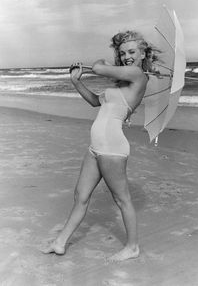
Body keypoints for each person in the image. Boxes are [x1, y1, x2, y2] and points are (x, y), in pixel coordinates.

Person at [43, 30, 159, 262]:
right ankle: (60, 242)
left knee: (122, 199)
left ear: (143, 52)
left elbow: (98, 68)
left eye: (132, 51)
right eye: (123, 52)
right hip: (97, 146)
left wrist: (98, 64)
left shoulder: (138, 75)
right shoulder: (124, 81)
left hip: (112, 147)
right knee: (81, 195)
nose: (126, 56)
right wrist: (76, 81)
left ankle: (133, 246)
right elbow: (96, 101)